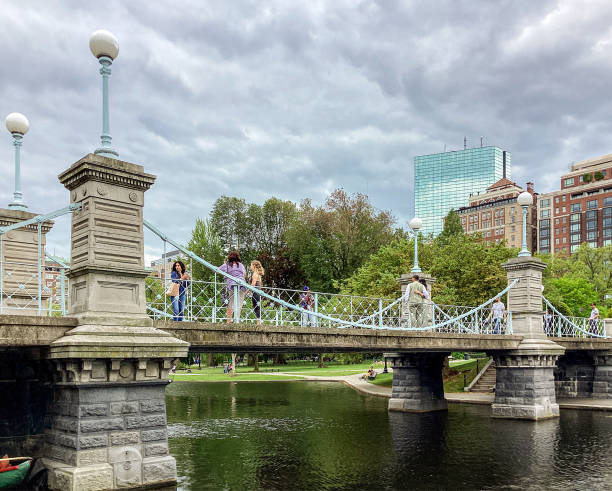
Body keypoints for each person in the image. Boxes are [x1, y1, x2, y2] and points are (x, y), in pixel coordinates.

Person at [219, 251, 247, 323]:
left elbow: (217, 270)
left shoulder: (226, 265)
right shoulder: (240, 265)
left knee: (230, 303)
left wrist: (225, 274)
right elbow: (244, 274)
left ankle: (228, 321)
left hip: (231, 285)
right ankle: (236, 320)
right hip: (241, 285)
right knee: (239, 303)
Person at [250, 260, 264, 325]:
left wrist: (246, 291)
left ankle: (258, 322)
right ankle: (258, 322)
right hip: (258, 292)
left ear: (254, 266)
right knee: (257, 306)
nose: (250, 267)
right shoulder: (258, 274)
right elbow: (260, 285)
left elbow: (253, 285)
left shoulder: (255, 274)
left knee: (256, 306)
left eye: (251, 265)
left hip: (255, 292)